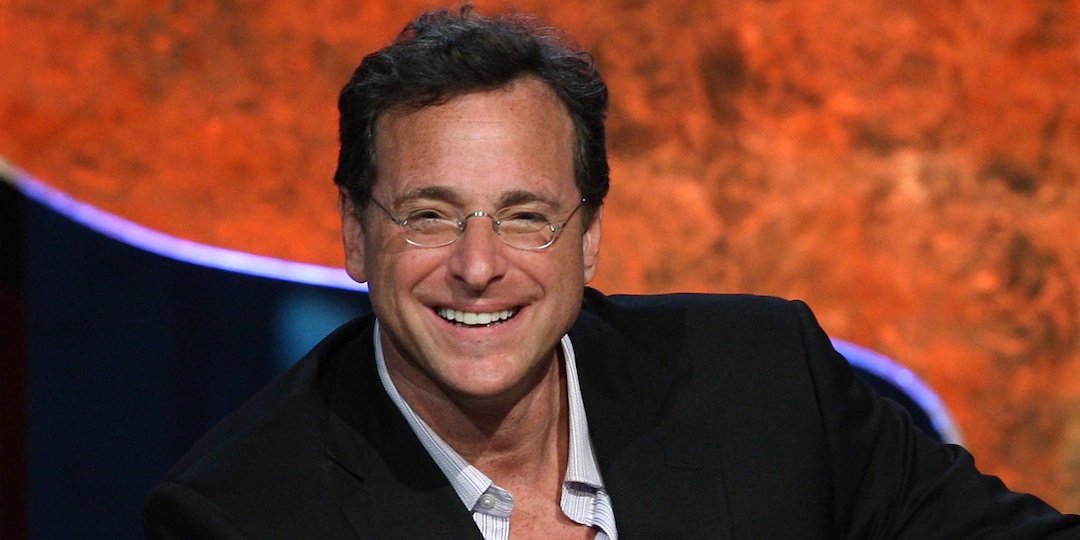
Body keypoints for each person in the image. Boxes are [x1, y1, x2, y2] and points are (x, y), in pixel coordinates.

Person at [144, 5, 1080, 539]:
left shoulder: (763, 380)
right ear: (355, 233)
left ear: (588, 237)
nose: (479, 266)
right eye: (429, 216)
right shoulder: (241, 518)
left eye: (527, 217)